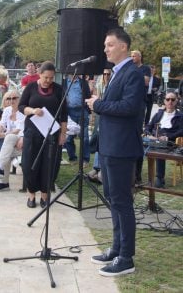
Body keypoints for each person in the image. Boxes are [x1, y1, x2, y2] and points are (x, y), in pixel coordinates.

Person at [85, 28, 145, 277]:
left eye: (109, 45)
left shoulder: (133, 72)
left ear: (123, 46)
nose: (105, 49)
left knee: (122, 202)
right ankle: (116, 248)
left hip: (121, 148)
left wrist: (98, 104)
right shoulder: (118, 72)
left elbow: (130, 107)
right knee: (113, 199)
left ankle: (126, 257)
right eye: (105, 45)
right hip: (109, 146)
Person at [18, 61, 67, 208]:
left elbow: (64, 114)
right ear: (40, 74)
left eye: (51, 78)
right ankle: (31, 194)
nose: (48, 81)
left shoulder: (58, 90)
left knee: (49, 164)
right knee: (30, 163)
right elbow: (21, 106)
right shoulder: (31, 87)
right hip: (32, 132)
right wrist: (32, 111)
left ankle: (45, 196)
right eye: (46, 77)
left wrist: (63, 134)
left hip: (51, 133)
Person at [0, 90, 25, 190]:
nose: (12, 100)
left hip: (21, 140)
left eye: (14, 98)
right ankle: (3, 183)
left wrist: (1, 135)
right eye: (9, 98)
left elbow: (18, 130)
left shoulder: (23, 111)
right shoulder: (7, 110)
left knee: (8, 138)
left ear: (20, 99)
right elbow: (1, 124)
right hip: (9, 141)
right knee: (5, 148)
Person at [145, 90, 183, 188]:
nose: (170, 101)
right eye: (168, 99)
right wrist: (149, 135)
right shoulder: (159, 113)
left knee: (160, 146)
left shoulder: (180, 116)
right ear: (164, 101)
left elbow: (181, 131)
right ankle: (136, 176)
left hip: (170, 142)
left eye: (172, 99)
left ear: (176, 101)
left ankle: (159, 178)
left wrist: (168, 137)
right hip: (154, 139)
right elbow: (148, 127)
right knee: (137, 145)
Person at [88, 68, 112, 183]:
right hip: (100, 114)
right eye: (104, 74)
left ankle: (102, 170)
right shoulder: (99, 84)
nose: (106, 76)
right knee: (98, 139)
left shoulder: (113, 85)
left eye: (108, 74)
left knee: (105, 141)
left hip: (109, 115)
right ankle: (96, 167)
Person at [131, 50, 151, 184]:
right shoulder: (132, 69)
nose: (132, 58)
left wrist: (133, 74)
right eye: (131, 56)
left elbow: (146, 81)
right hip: (129, 105)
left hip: (140, 105)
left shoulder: (145, 68)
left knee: (137, 137)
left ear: (139, 57)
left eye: (134, 56)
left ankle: (137, 174)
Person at [63, 74, 91, 167]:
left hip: (82, 111)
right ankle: (73, 157)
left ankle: (85, 160)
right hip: (69, 112)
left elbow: (88, 96)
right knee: (68, 138)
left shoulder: (83, 82)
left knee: (85, 137)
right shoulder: (64, 82)